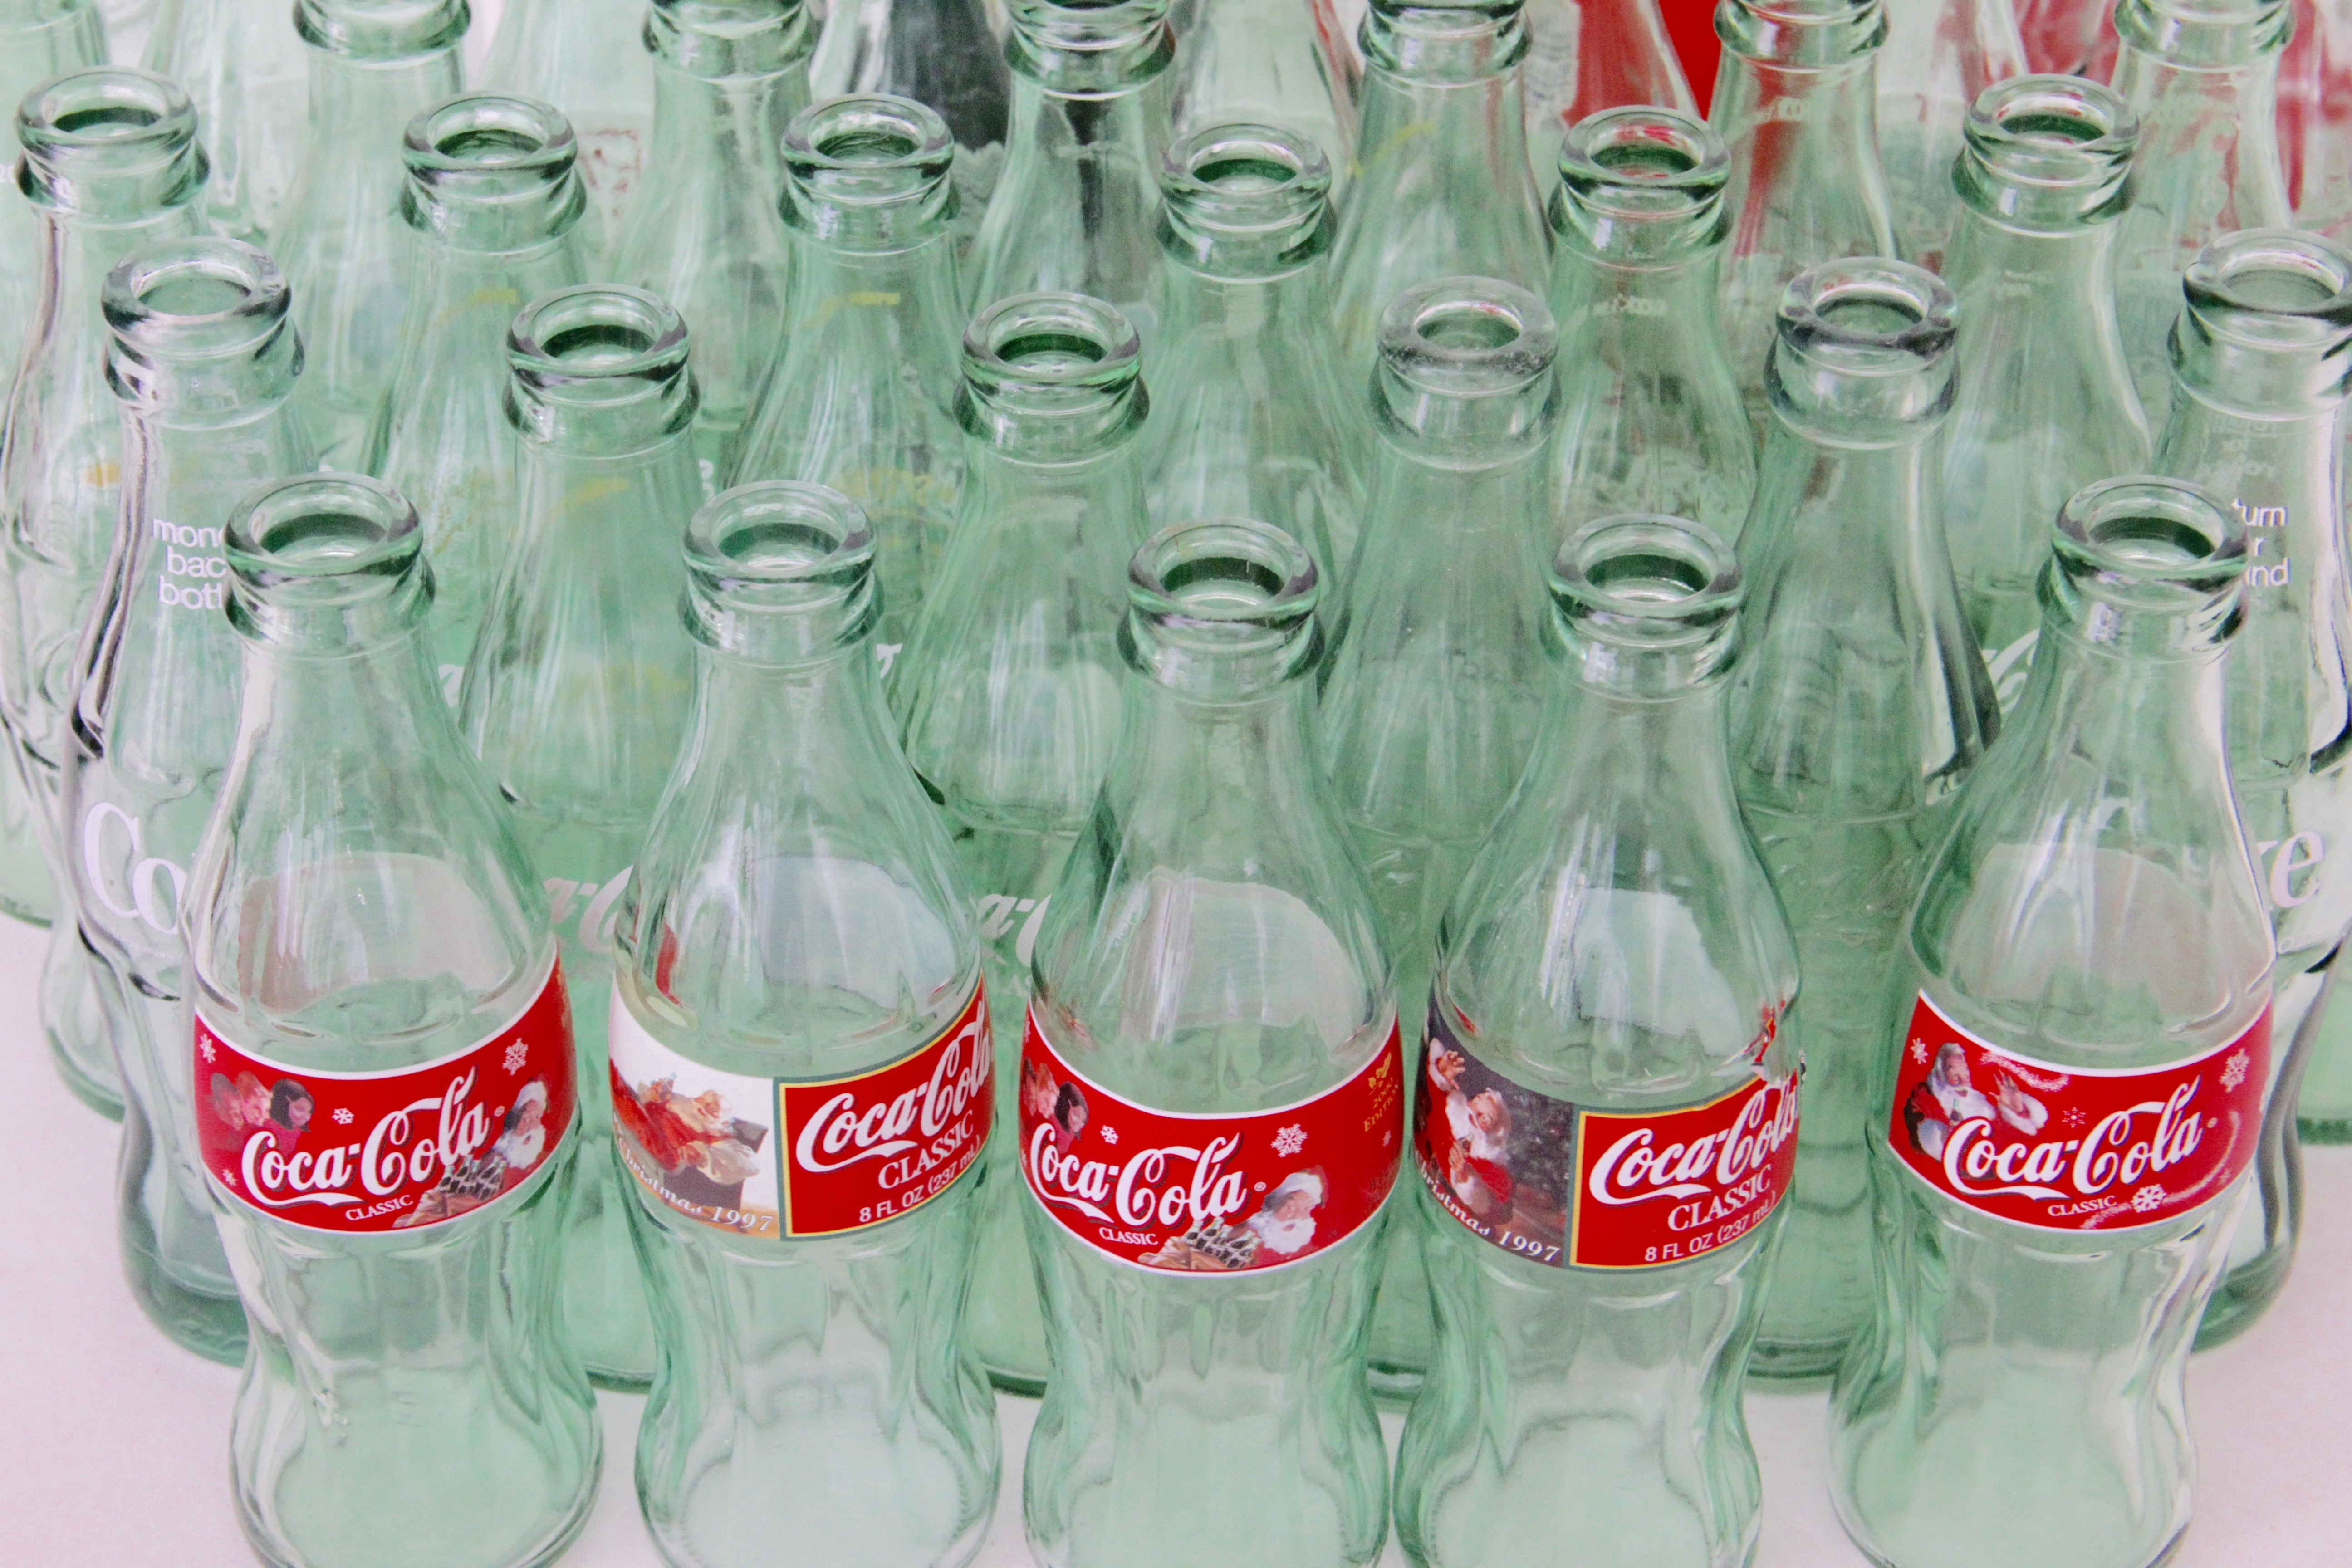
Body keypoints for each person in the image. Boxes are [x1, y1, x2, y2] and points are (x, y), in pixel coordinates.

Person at [1245, 1170, 1325, 1261]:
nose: (1295, 1216)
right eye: (1307, 1209)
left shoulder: (1255, 1195)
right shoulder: (1315, 1190)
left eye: (1289, 1224)